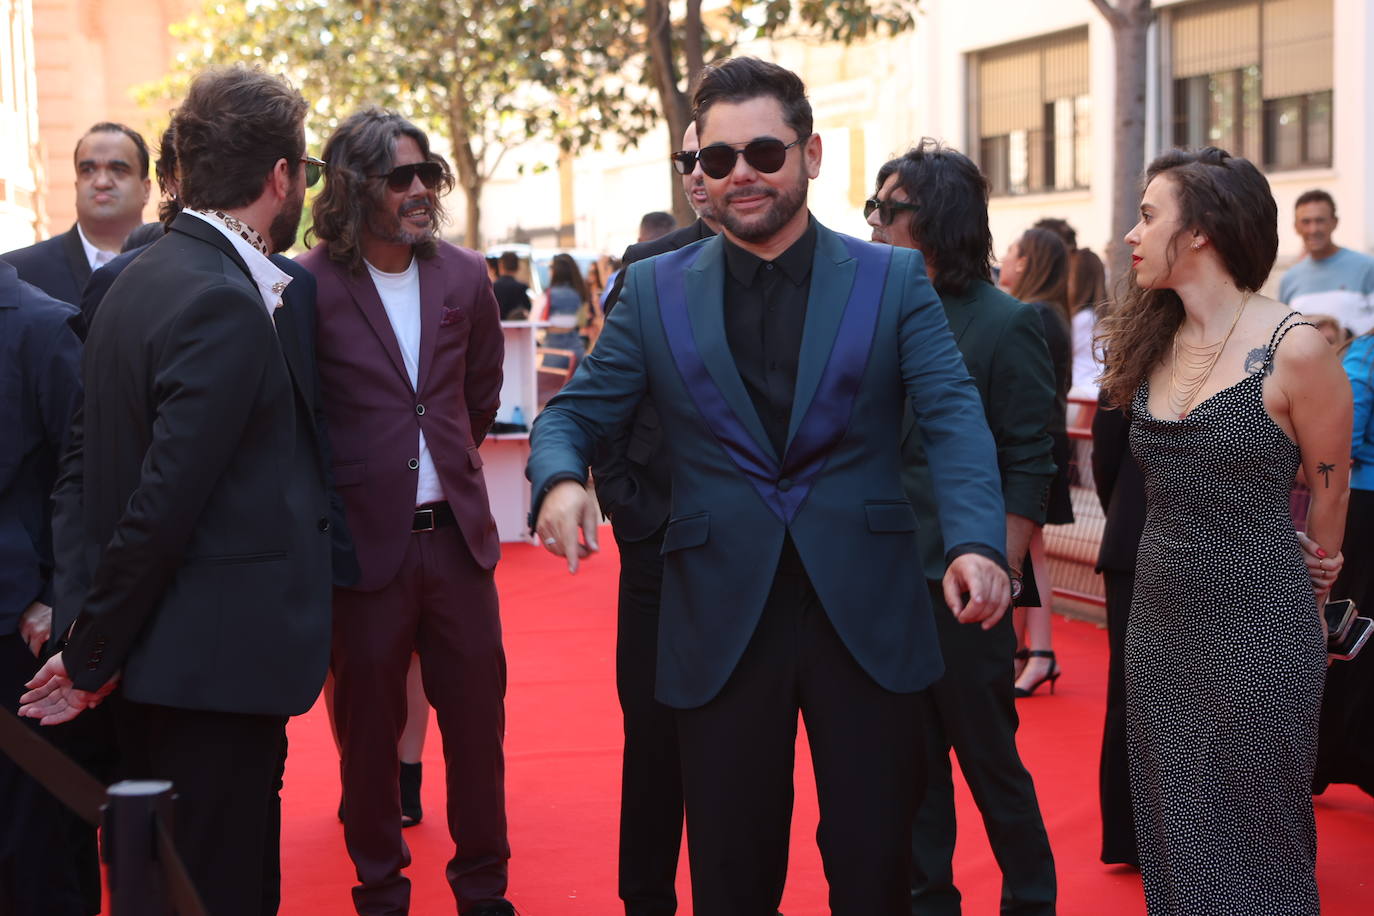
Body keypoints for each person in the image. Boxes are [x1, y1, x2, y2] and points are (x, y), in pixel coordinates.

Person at [528, 57, 1010, 914]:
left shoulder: (893, 280)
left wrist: (976, 540)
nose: (741, 173)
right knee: (730, 875)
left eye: (763, 152)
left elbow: (953, 416)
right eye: (718, 159)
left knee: (876, 870)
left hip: (866, 611)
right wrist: (561, 480)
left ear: (811, 154)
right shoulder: (654, 289)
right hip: (718, 615)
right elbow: (575, 413)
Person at [19, 66, 335, 916]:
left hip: (159, 663)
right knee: (215, 891)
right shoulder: (222, 299)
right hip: (211, 671)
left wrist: (90, 633)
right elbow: (161, 504)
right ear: (281, 176)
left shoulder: (133, 276)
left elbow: (81, 477)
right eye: (306, 172)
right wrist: (91, 651)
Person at [1096, 146, 1351, 914]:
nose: (1132, 234)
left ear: (1201, 229)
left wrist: (1322, 576)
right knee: (1173, 823)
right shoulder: (1153, 338)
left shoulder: (1296, 348)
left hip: (1261, 620)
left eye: (1149, 216)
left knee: (1258, 833)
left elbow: (1330, 483)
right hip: (1158, 621)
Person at [300, 106, 513, 916]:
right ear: (354, 187)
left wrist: (443, 462)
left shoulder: (464, 275)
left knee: (478, 729)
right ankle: (381, 891)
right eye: (401, 177)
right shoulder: (307, 286)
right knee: (366, 737)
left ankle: (484, 892)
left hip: (458, 544)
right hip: (362, 551)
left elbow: (480, 391)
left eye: (430, 174)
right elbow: (301, 416)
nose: (421, 189)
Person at [867, 139, 1058, 914]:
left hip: (967, 589)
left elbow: (1029, 460)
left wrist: (999, 574)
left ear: (938, 218)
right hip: (884, 583)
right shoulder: (874, 307)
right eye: (873, 206)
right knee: (909, 771)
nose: (874, 222)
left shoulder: (1006, 323)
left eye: (890, 209)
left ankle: (1031, 900)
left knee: (989, 762)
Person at [591, 120, 720, 916]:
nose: (702, 174)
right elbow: (602, 402)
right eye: (691, 159)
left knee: (741, 751)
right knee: (652, 739)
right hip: (657, 544)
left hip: (760, 550)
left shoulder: (816, 268)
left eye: (722, 157)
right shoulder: (647, 266)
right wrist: (628, 505)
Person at [0, 262, 87, 915]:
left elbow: (85, 474)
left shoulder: (42, 325)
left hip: (17, 629)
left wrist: (60, 592)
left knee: (34, 840)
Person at [999, 227, 1074, 697]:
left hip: (1039, 443)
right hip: (1045, 440)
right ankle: (1025, 649)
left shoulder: (1038, 314)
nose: (1003, 259)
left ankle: (1041, 651)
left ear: (1027, 262)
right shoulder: (1048, 313)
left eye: (1010, 251)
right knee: (1029, 550)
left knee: (1031, 550)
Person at [1314, 330, 1374, 797]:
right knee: (1350, 629)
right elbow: (1341, 440)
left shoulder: (1366, 354)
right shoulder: (1367, 353)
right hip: (1365, 506)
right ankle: (1322, 756)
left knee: (1353, 629)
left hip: (1364, 503)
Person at [1, 122, 151, 304]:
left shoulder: (174, 262)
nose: (101, 182)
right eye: (88, 170)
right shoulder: (19, 273)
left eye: (118, 170)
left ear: (146, 189)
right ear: (77, 185)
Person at [1088, 392, 1145, 868]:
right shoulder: (1130, 365)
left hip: (1133, 533)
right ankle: (1130, 835)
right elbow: (1104, 456)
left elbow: (1104, 458)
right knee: (1131, 694)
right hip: (1133, 545)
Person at [1278, 189, 1374, 335]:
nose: (1313, 229)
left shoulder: (1367, 267)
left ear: (1334, 223)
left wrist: (1348, 333)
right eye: (1306, 222)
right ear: (1296, 227)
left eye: (1320, 220)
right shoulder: (1289, 279)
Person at [540, 252, 595, 361]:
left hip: (553, 350)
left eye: (550, 267)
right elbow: (582, 322)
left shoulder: (548, 294)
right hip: (576, 349)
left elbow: (535, 321)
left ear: (556, 270)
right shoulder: (580, 292)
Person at [1068, 248, 1108, 393]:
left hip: (1081, 391)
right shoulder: (1098, 317)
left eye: (1069, 276)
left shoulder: (1083, 319)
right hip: (1092, 389)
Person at [492, 250, 531, 320]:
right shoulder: (522, 287)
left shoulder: (493, 287)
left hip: (497, 325)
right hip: (516, 325)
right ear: (517, 266)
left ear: (501, 265)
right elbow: (528, 310)